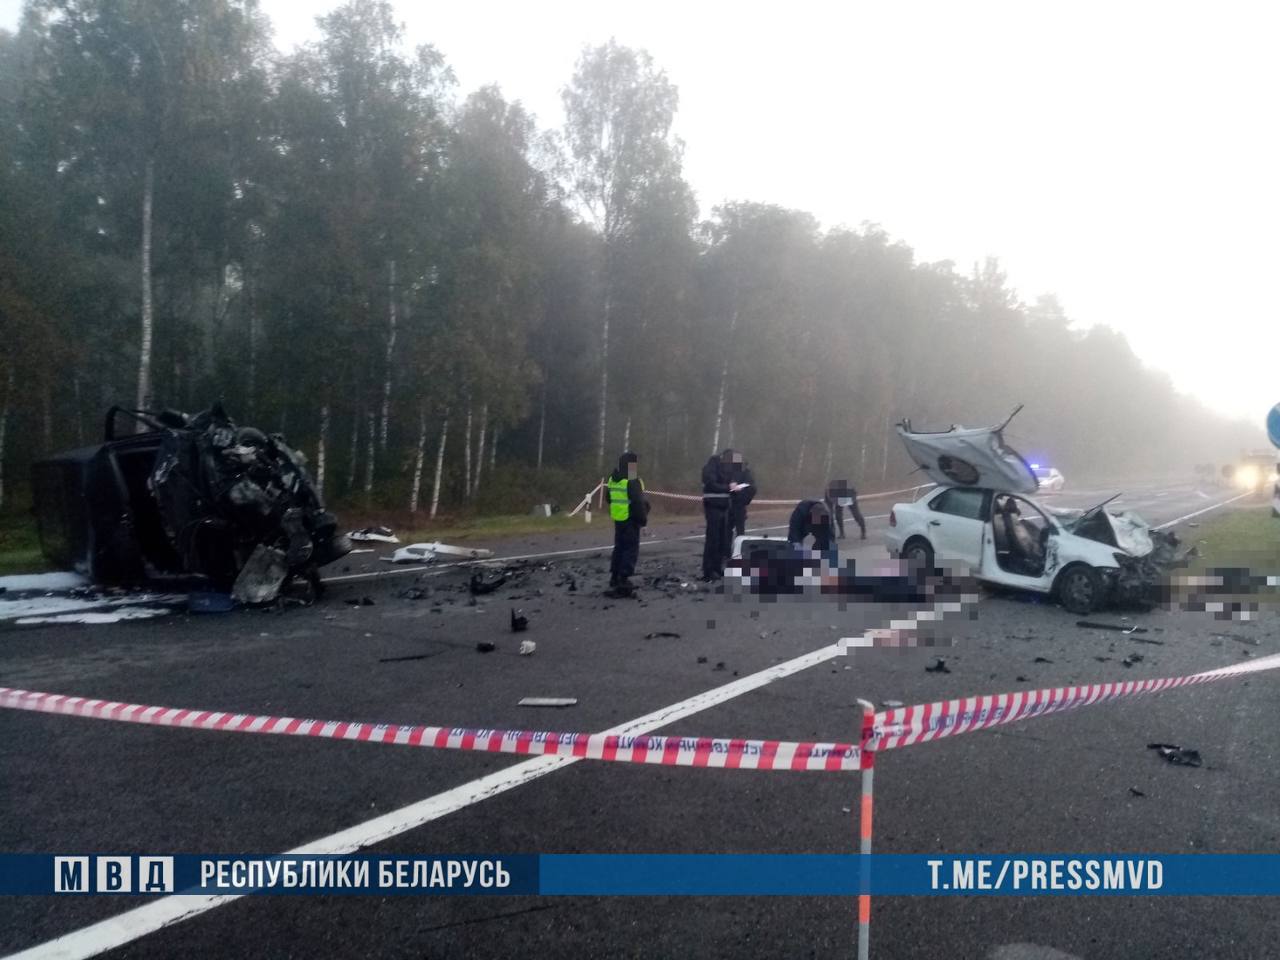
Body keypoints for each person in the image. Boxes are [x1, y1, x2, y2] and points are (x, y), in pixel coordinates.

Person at [606, 451, 647, 590]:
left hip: (618, 518)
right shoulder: (631, 480)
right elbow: (638, 502)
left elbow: (608, 498)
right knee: (630, 549)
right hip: (630, 519)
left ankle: (614, 576)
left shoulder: (613, 479)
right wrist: (643, 519)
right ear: (631, 465)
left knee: (619, 547)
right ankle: (623, 578)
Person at [701, 452, 733, 580]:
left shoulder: (723, 469)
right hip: (713, 507)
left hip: (723, 507)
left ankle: (717, 568)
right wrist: (728, 488)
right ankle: (709, 570)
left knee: (721, 540)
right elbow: (711, 484)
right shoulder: (710, 468)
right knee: (713, 540)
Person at [724, 449, 756, 547]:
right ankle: (727, 552)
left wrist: (741, 493)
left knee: (739, 531)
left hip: (738, 505)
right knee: (727, 530)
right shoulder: (726, 472)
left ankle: (738, 552)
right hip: (728, 505)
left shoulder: (746, 473)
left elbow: (751, 487)